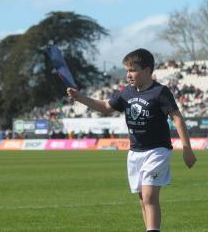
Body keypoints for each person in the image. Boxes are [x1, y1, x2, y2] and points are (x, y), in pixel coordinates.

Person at [67, 48, 196, 232]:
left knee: (150, 196)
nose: (129, 74)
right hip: (135, 152)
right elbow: (105, 107)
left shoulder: (160, 92)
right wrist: (80, 98)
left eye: (133, 70)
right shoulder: (126, 93)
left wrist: (187, 148)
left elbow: (177, 118)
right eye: (127, 70)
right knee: (143, 199)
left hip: (158, 150)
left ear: (148, 70)